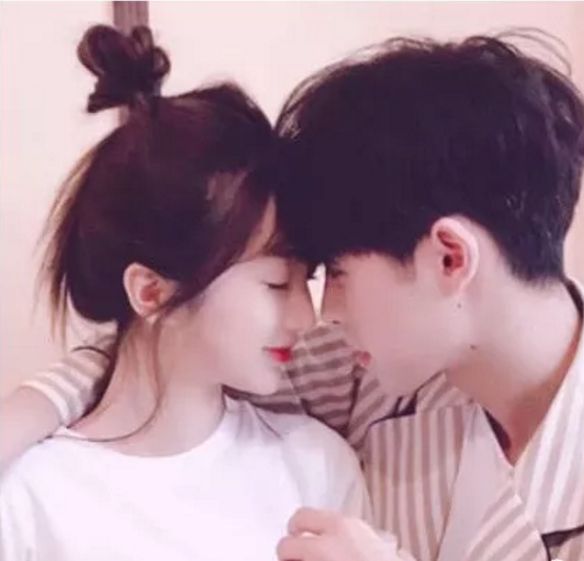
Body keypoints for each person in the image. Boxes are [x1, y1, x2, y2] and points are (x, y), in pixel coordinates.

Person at [2, 32, 584, 561]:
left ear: (450, 258)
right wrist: (28, 415)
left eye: (333, 272)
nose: (318, 314)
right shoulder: (381, 369)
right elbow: (167, 351)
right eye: (288, 280)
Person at [0, 24, 369, 561]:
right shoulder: (31, 495)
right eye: (274, 282)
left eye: (305, 279)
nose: (304, 316)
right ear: (150, 292)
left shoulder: (316, 466)